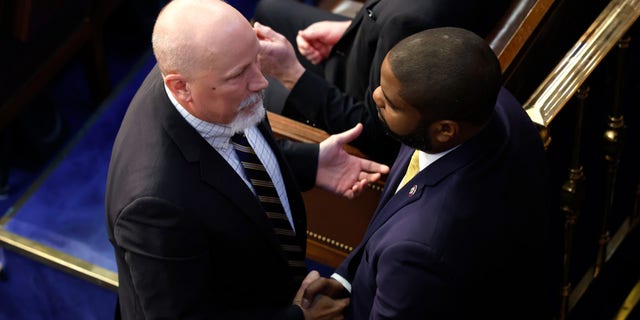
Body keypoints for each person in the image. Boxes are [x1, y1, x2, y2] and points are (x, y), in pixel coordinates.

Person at [105, 0, 389, 319]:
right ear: (180, 87)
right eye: (240, 74)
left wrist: (310, 162)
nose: (261, 82)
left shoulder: (215, 78)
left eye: (256, 60)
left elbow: (234, 163)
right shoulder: (151, 206)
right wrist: (298, 317)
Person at [301, 27, 556, 319]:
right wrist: (345, 279)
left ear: (445, 130)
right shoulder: (491, 106)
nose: (375, 97)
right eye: (382, 87)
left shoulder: (419, 246)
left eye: (392, 104)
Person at [253, 0, 511, 165]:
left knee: (247, 84)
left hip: (352, 102)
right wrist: (353, 31)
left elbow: (377, 130)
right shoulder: (406, 23)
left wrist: (290, 74)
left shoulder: (409, 24)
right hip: (368, 50)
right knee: (268, 9)